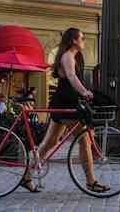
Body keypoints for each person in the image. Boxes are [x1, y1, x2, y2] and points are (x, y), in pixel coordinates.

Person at [32, 28, 107, 193]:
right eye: (82, 37)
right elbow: (72, 77)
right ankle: (91, 181)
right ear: (74, 40)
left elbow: (74, 78)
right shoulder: (67, 56)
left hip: (65, 103)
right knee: (84, 140)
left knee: (50, 142)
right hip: (66, 104)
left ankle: (26, 177)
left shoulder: (73, 56)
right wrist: (85, 92)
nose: (84, 40)